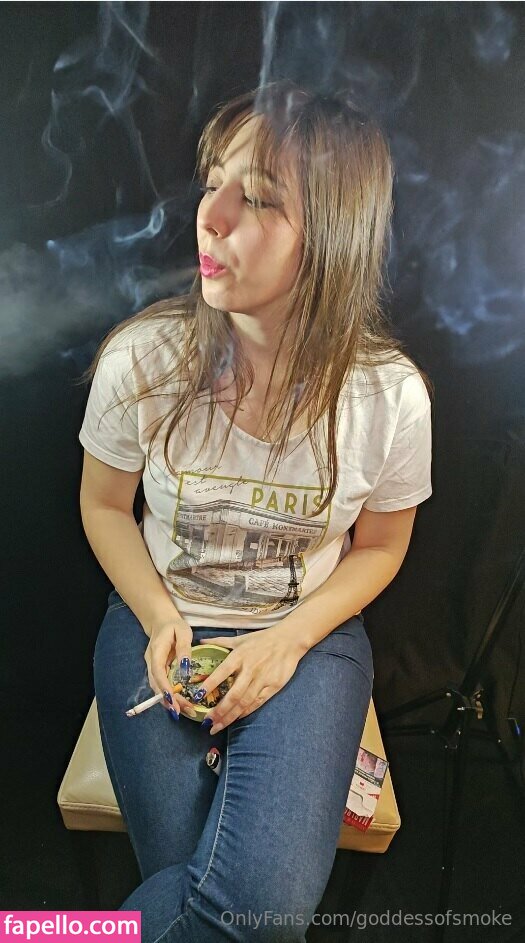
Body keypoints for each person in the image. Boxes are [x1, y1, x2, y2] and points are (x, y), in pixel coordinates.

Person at [78, 79, 433, 941]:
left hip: (309, 635)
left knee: (249, 907)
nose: (210, 217)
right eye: (214, 185)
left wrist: (287, 641)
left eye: (260, 198)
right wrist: (159, 614)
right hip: (158, 624)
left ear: (336, 231)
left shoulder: (388, 397)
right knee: (228, 901)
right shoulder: (142, 360)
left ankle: (37, 931)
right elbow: (103, 505)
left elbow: (380, 547)